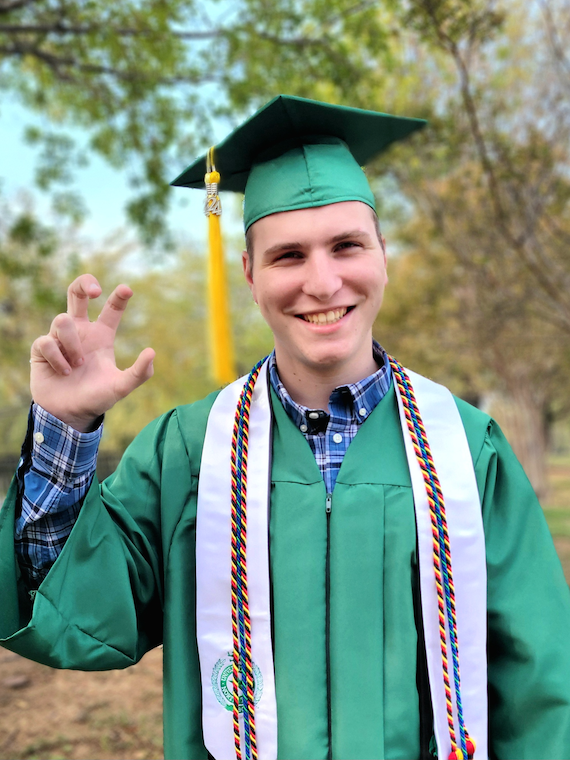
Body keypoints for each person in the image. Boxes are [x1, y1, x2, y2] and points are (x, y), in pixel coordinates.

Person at [1, 95, 570, 760]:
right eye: (289, 255)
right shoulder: (189, 452)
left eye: (347, 246)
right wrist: (65, 428)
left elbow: (538, 685)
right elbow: (79, 611)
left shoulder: (468, 449)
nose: (323, 282)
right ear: (249, 274)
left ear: (383, 253)